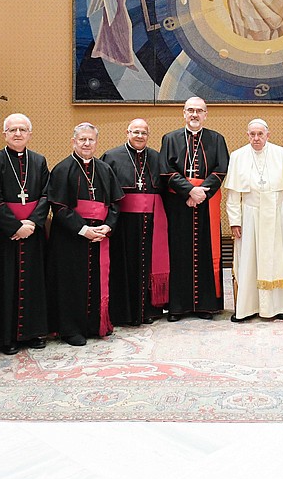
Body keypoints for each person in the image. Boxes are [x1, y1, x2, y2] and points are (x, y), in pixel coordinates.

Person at [224, 119, 283, 321]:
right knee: (248, 260)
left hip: (278, 213)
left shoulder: (282, 154)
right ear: (247, 135)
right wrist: (235, 221)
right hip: (250, 215)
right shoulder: (237, 156)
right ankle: (248, 307)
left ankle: (282, 306)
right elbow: (234, 194)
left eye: (260, 134)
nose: (256, 138)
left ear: (268, 135)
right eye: (252, 134)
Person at [47, 123, 123, 345]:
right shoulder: (62, 169)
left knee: (97, 281)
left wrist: (107, 227)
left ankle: (94, 324)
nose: (87, 144)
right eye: (82, 139)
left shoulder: (105, 169)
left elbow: (116, 204)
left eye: (91, 140)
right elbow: (59, 207)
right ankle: (71, 330)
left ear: (96, 142)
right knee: (72, 283)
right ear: (74, 141)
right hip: (71, 239)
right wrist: (83, 230)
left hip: (100, 236)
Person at [0, 113, 50, 355]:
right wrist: (15, 227)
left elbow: (46, 195)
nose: (18, 134)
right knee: (5, 283)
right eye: (13, 130)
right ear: (5, 134)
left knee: (34, 282)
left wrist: (31, 223)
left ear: (30, 134)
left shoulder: (39, 161)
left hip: (32, 233)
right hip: (4, 234)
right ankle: (7, 336)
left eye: (23, 129)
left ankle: (33, 332)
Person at [159, 97, 229, 321]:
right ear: (183, 113)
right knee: (178, 253)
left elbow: (221, 170)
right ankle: (178, 307)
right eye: (191, 110)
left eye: (199, 111)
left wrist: (201, 193)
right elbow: (166, 171)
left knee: (207, 253)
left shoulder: (217, 139)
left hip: (206, 203)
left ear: (206, 114)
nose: (195, 115)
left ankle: (207, 305)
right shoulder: (170, 139)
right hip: (179, 204)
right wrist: (189, 191)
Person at [102, 118, 169, 326]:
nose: (140, 136)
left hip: (151, 222)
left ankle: (148, 310)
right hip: (123, 222)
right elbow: (106, 192)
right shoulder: (112, 157)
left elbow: (166, 188)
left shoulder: (157, 158)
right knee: (123, 264)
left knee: (148, 263)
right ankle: (123, 312)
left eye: (144, 133)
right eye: (136, 132)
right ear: (127, 132)